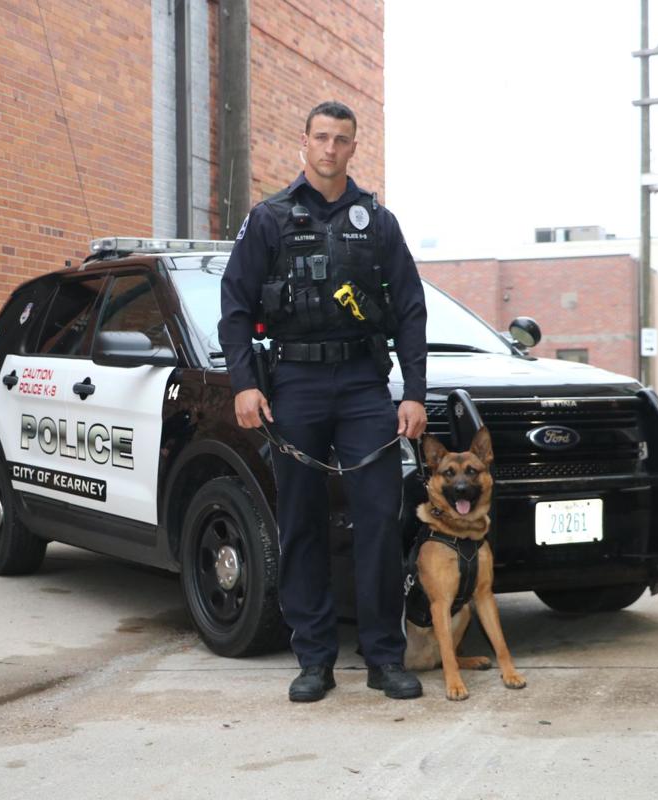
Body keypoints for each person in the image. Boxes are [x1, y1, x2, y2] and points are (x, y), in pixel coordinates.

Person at [218, 101, 428, 701]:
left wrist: (412, 392)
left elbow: (410, 309)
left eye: (342, 140)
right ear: (303, 143)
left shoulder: (377, 222)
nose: (330, 148)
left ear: (354, 149)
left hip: (364, 384)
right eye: (321, 137)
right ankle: (313, 658)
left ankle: (384, 657)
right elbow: (235, 306)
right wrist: (245, 383)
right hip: (295, 388)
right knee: (301, 522)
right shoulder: (270, 219)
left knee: (380, 523)